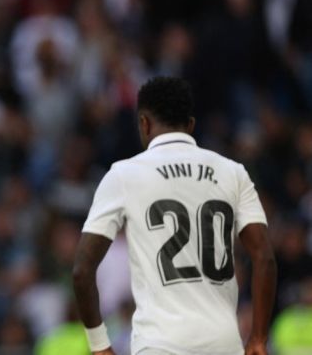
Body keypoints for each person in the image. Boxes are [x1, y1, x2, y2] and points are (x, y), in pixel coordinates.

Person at [72, 76, 277, 355]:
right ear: (191, 125)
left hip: (159, 344)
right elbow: (264, 257)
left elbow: (82, 270)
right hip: (223, 343)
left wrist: (99, 345)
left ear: (144, 123)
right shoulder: (233, 172)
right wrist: (258, 338)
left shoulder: (124, 175)